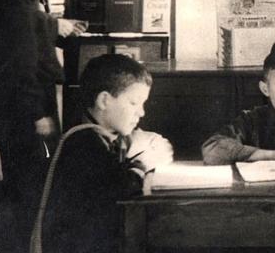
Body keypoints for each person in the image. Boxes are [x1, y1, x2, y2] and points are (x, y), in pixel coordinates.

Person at [36, 53, 174, 253]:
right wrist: (144, 162)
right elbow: (122, 187)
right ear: (104, 100)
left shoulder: (98, 135)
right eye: (134, 103)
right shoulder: (83, 143)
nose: (142, 112)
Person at [0, 0, 64, 253]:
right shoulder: (19, 12)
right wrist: (38, 114)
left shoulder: (11, 5)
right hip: (25, 118)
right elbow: (21, 69)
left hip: (14, 115)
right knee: (33, 189)